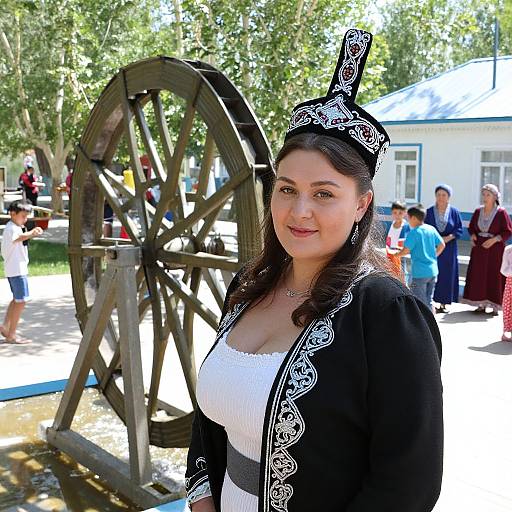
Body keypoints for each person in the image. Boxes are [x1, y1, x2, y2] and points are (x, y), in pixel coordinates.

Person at [186, 29, 443, 512]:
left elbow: (408, 484)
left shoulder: (387, 316)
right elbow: (209, 421)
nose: (299, 210)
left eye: (324, 193)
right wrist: (202, 500)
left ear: (361, 204)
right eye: (287, 189)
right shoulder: (247, 287)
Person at [462, 184, 512, 315]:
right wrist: (472, 235)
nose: (485, 197)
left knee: (493, 275)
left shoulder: (501, 213)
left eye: (488, 195)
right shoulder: (478, 211)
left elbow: (507, 231)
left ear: (495, 197)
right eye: (483, 194)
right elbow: (472, 227)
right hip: (479, 249)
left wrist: (494, 240)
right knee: (479, 276)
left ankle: (495, 306)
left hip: (494, 250)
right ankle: (481, 303)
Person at [1, 200, 43, 344]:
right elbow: (19, 238)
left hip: (15, 269)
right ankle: (12, 334)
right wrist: (32, 233)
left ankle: (6, 326)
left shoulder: (13, 226)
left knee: (16, 299)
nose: (25, 219)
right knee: (21, 301)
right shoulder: (12, 228)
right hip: (17, 270)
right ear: (13, 214)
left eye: (26, 217)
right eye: (23, 216)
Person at [396, 205, 445, 312]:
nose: (408, 221)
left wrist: (395, 255)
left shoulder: (414, 233)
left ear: (414, 218)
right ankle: (433, 322)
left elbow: (406, 250)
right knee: (429, 300)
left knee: (420, 302)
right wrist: (434, 256)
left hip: (420, 273)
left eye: (408, 218)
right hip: (433, 271)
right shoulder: (431, 229)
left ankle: (425, 325)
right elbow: (442, 244)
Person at [425, 184, 463, 313]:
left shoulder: (454, 212)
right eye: (438, 195)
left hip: (449, 248)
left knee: (447, 274)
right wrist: (436, 239)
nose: (441, 197)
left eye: (444, 195)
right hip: (433, 247)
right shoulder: (429, 211)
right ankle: (431, 301)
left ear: (448, 197)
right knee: (433, 273)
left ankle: (444, 303)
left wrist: (449, 237)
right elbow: (425, 229)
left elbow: (459, 229)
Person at [385, 200, 410, 281]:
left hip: (401, 256)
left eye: (400, 213)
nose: (397, 215)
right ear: (392, 212)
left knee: (402, 276)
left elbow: (408, 243)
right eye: (395, 212)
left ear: (405, 213)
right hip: (391, 256)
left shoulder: (406, 226)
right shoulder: (392, 224)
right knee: (392, 276)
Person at [500, 244, 512, 341]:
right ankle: (508, 330)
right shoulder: (509, 250)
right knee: (509, 306)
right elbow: (503, 270)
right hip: (510, 282)